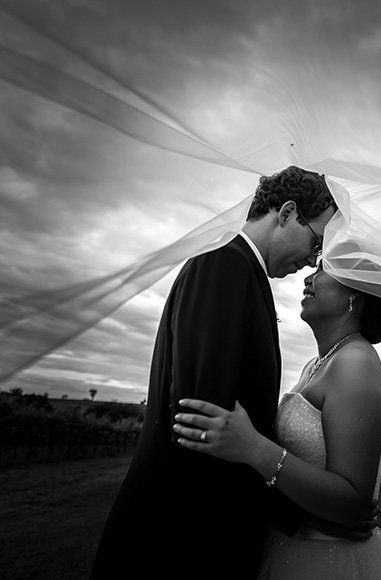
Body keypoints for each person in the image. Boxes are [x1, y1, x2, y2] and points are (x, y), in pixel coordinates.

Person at [89, 166, 339, 579]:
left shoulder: (245, 273)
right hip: (175, 544)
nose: (314, 260)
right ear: (287, 213)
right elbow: (203, 427)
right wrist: (307, 513)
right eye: (316, 241)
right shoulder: (224, 265)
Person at [173, 261, 381, 579]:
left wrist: (253, 447)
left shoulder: (355, 363)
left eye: (324, 269)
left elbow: (352, 502)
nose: (308, 277)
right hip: (288, 544)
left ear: (355, 295)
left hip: (330, 561)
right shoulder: (316, 364)